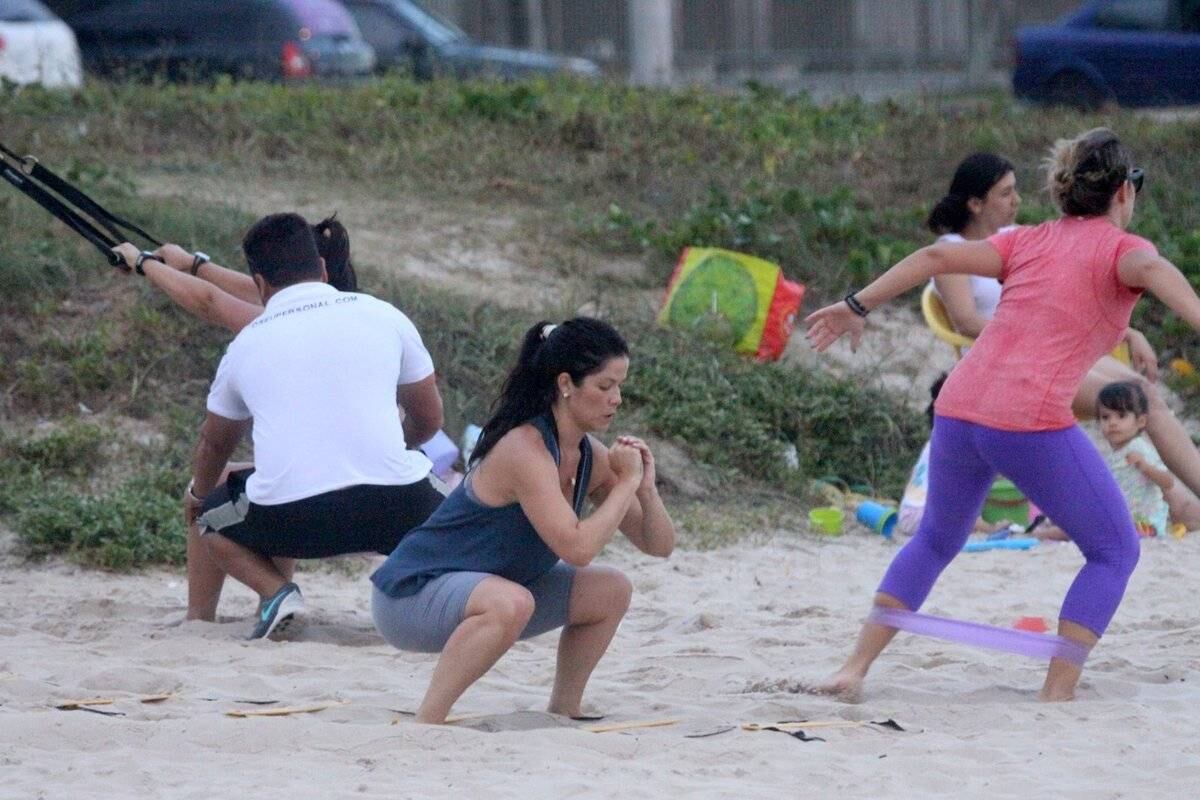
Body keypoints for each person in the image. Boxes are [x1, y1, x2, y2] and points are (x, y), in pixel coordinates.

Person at [805, 128, 1200, 702]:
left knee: (936, 540)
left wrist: (854, 305)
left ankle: (853, 668)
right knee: (1115, 550)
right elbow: (1166, 281)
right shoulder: (1126, 251)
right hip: (1026, 420)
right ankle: (1057, 692)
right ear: (1123, 191)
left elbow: (936, 255)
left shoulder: (1029, 239)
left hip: (958, 409)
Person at [121, 212, 446, 639]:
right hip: (399, 507)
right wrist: (391, 451)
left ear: (260, 284)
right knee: (454, 512)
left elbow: (213, 441)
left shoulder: (254, 337)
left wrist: (145, 263)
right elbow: (430, 420)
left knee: (222, 505)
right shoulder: (384, 316)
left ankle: (255, 601)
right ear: (323, 268)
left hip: (297, 521)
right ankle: (456, 603)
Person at [370, 318, 676, 724]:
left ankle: (565, 707)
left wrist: (646, 489)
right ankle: (429, 720)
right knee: (512, 602)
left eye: (620, 386)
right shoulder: (525, 448)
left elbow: (659, 545)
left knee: (611, 589)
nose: (616, 399)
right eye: (605, 386)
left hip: (487, 591)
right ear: (565, 384)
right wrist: (626, 484)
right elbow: (578, 549)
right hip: (410, 596)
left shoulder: (590, 455)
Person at [929, 152, 1200, 502]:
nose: (1017, 200)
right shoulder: (952, 249)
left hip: (1052, 348)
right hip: (1008, 369)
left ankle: (1183, 497)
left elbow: (1064, 302)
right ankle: (1179, 500)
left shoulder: (1019, 236)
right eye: (1006, 193)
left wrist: (1132, 333)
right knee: (1137, 399)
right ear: (976, 203)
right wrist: (1032, 334)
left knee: (1143, 390)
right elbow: (965, 320)